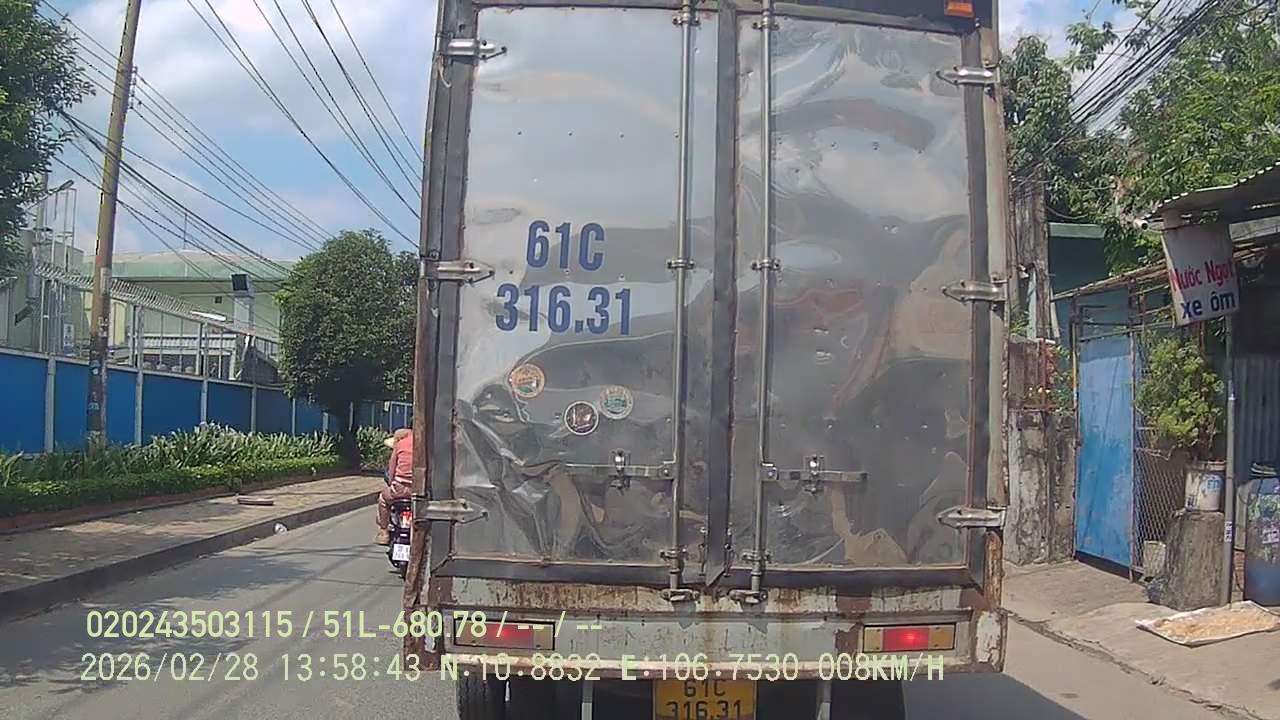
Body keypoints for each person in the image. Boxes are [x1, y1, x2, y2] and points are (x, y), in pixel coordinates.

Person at [375, 428, 413, 545]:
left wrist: (392, 483)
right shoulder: (428, 445)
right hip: (419, 491)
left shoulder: (401, 445)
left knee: (383, 499)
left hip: (399, 489)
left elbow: (391, 471)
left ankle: (383, 531)